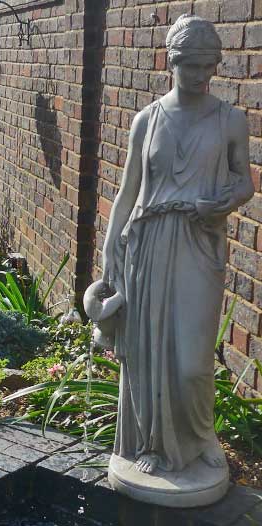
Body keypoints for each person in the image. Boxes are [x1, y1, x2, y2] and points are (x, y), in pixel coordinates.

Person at [99, 14, 255, 476]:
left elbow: (244, 183)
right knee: (148, 355)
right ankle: (152, 444)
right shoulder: (147, 120)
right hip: (147, 244)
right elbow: (128, 192)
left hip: (200, 243)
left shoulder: (231, 119)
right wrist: (110, 251)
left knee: (192, 360)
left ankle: (201, 436)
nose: (203, 75)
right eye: (192, 66)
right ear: (172, 61)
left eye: (210, 66)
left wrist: (220, 204)